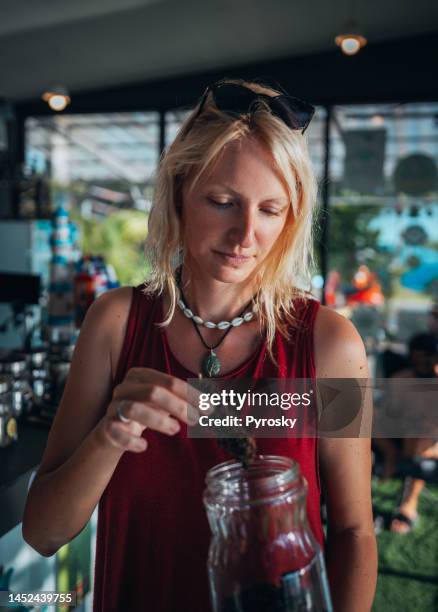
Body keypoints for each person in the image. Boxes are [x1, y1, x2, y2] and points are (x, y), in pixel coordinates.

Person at [22, 79, 377, 611]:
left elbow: (353, 532)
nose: (245, 236)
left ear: (293, 216)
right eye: (222, 201)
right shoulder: (116, 323)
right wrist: (109, 434)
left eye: (271, 210)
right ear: (179, 191)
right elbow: (43, 534)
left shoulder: (331, 344)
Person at [378, 332, 438, 533]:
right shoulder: (400, 379)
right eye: (418, 356)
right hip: (400, 435)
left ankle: (409, 505)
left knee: (419, 436)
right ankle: (391, 455)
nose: (424, 362)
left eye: (430, 356)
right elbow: (388, 413)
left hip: (429, 442)